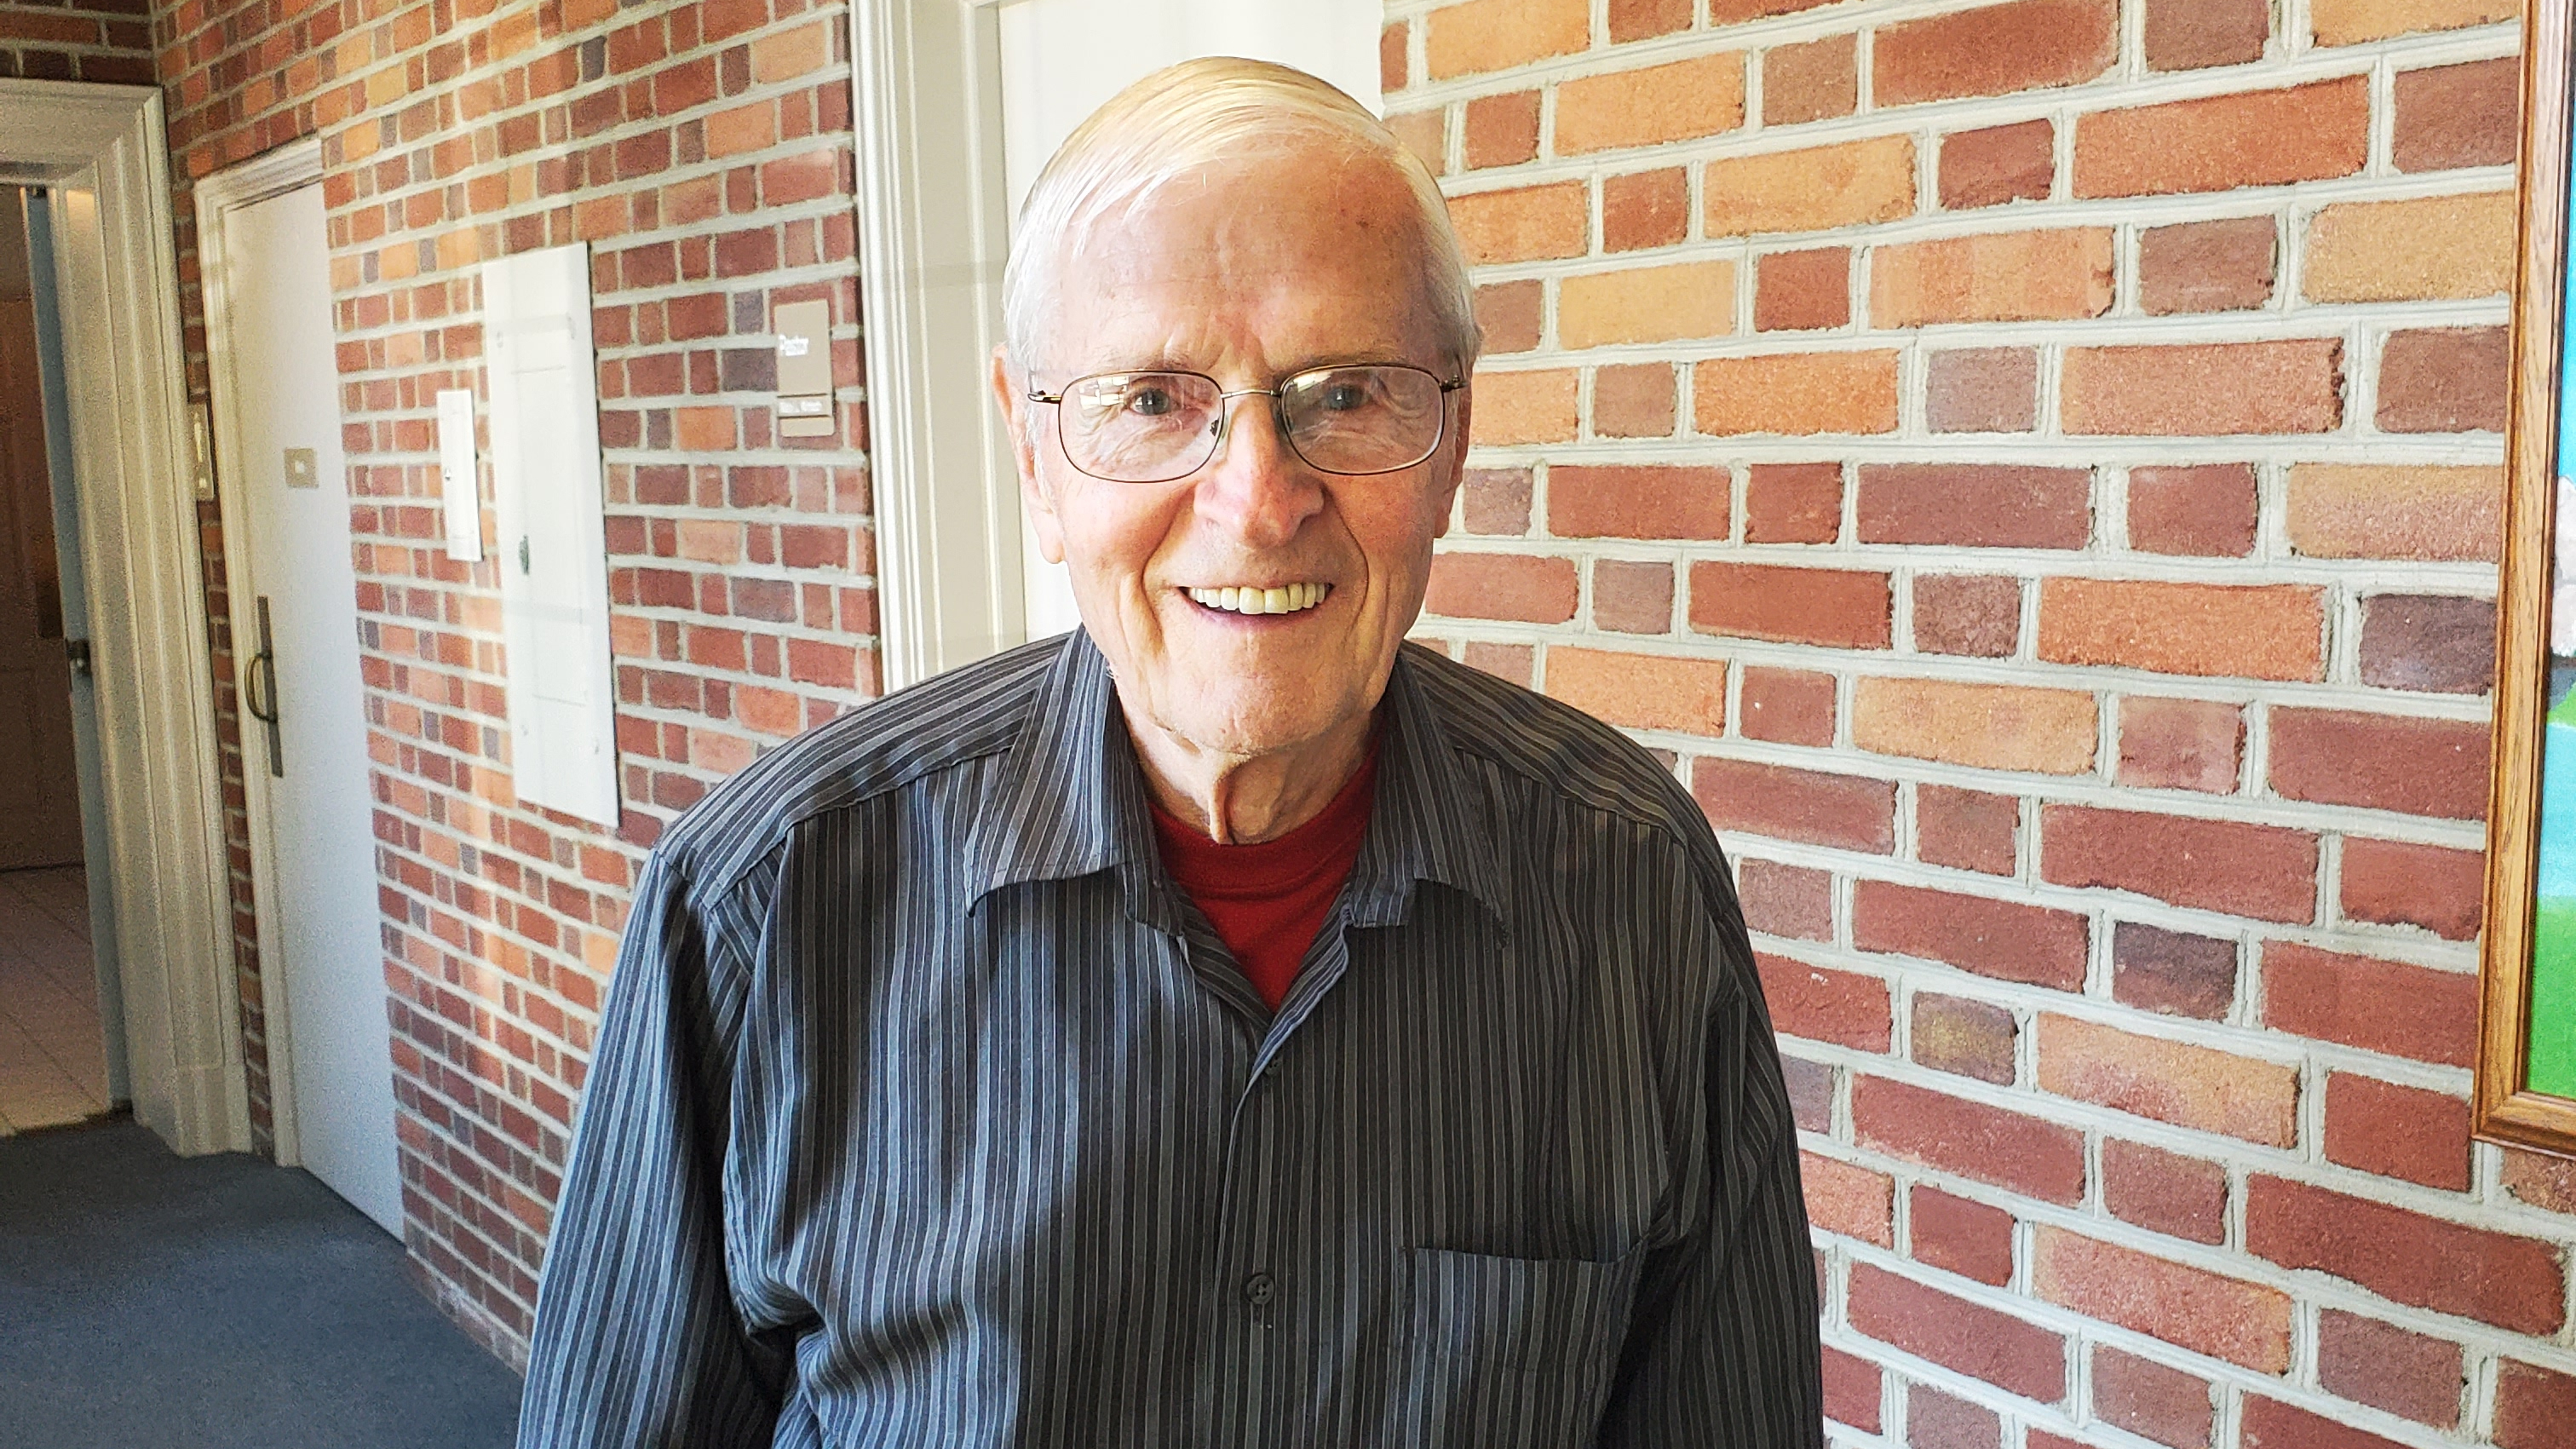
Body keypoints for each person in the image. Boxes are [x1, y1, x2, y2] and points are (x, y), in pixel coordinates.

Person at [516, 57, 1821, 1448]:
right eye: (1152, 400)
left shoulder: (1630, 887)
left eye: (1346, 392)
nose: (1259, 499)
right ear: (1034, 456)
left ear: (1451, 438)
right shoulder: (761, 913)